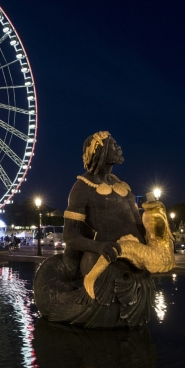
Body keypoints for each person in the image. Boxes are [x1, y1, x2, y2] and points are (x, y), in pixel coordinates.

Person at [34, 131, 156, 328]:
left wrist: (157, 226)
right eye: (114, 145)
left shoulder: (123, 186)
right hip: (103, 260)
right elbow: (70, 235)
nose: (118, 148)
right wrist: (98, 246)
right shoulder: (82, 189)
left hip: (135, 259)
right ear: (101, 150)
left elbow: (138, 222)